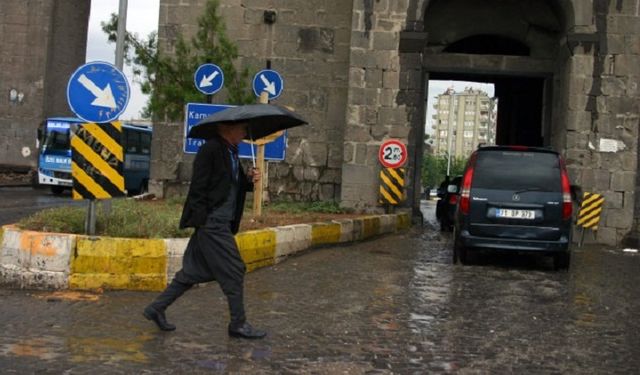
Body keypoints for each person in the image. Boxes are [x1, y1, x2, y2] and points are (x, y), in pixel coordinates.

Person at [143, 121, 266, 339]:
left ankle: (156, 308)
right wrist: (203, 221)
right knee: (235, 269)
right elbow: (199, 187)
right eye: (242, 129)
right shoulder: (211, 149)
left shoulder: (231, 152)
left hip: (221, 222)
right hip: (213, 223)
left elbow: (229, 186)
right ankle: (238, 323)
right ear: (228, 129)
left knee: (192, 272)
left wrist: (248, 180)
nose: (244, 132)